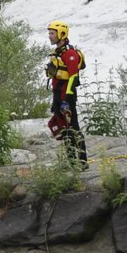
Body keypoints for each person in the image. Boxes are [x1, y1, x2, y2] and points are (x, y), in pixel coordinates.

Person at [45, 20, 88, 167]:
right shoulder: (57, 52)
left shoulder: (70, 54)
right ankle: (71, 161)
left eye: (52, 33)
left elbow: (73, 76)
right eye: (49, 33)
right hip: (57, 95)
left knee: (73, 128)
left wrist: (67, 99)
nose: (49, 36)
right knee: (62, 128)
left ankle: (82, 162)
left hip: (67, 96)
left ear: (61, 34)